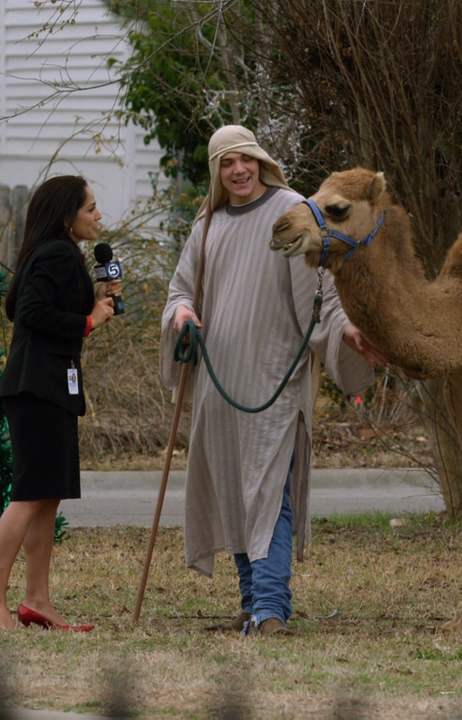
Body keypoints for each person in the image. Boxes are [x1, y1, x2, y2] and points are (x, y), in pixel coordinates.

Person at [160, 125, 387, 636]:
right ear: (217, 172)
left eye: (246, 159)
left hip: (273, 383)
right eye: (226, 163)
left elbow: (321, 298)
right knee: (233, 495)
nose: (238, 170)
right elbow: (178, 292)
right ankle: (252, 603)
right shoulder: (209, 226)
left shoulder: (290, 212)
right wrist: (181, 315)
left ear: (261, 160)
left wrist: (346, 327)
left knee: (268, 494)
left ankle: (271, 610)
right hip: (218, 386)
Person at [0, 175, 118, 631]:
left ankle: (36, 600)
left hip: (51, 388)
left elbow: (25, 306)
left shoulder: (60, 254)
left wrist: (93, 302)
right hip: (37, 388)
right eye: (90, 208)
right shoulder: (56, 252)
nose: (98, 216)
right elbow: (33, 314)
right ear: (65, 216)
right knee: (30, 494)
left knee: (47, 497)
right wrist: (89, 320)